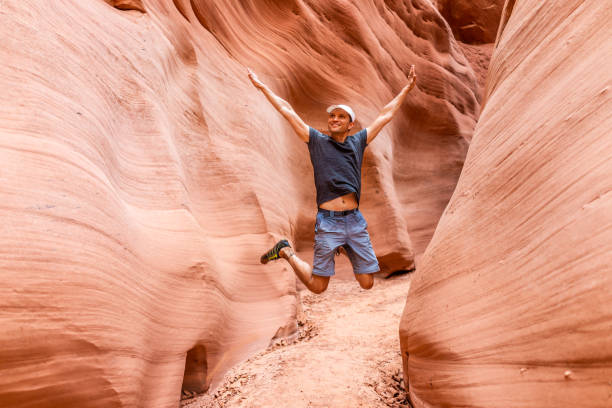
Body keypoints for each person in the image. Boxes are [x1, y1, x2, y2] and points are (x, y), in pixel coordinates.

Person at [248, 66, 417, 294]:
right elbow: (287, 111)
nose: (335, 119)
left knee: (367, 282)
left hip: (354, 220)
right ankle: (285, 251)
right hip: (328, 222)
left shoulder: (358, 142)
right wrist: (262, 87)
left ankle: (345, 245)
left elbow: (385, 115)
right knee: (318, 287)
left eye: (341, 116)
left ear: (350, 125)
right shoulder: (316, 140)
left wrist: (406, 89)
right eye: (332, 115)